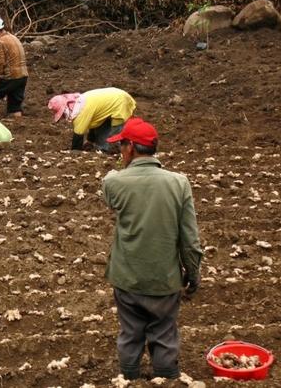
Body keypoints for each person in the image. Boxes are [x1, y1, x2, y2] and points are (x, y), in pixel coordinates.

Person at [101, 118, 203, 380]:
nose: (120, 150)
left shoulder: (114, 182)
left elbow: (110, 184)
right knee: (164, 332)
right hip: (164, 280)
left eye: (122, 145)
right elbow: (189, 238)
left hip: (127, 278)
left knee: (130, 332)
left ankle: (129, 378)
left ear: (131, 147)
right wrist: (192, 274)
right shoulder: (179, 183)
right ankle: (166, 378)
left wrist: (119, 170)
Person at [47, 87, 136, 153]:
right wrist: (90, 140)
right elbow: (94, 122)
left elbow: (77, 137)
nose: (63, 117)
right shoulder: (80, 102)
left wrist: (75, 153)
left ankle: (120, 150)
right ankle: (104, 148)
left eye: (62, 114)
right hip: (114, 98)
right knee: (101, 130)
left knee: (115, 135)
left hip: (120, 102)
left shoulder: (80, 113)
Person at [0, 18, 28, 118]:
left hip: (11, 76)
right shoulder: (13, 37)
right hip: (23, 76)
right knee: (14, 105)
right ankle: (17, 122)